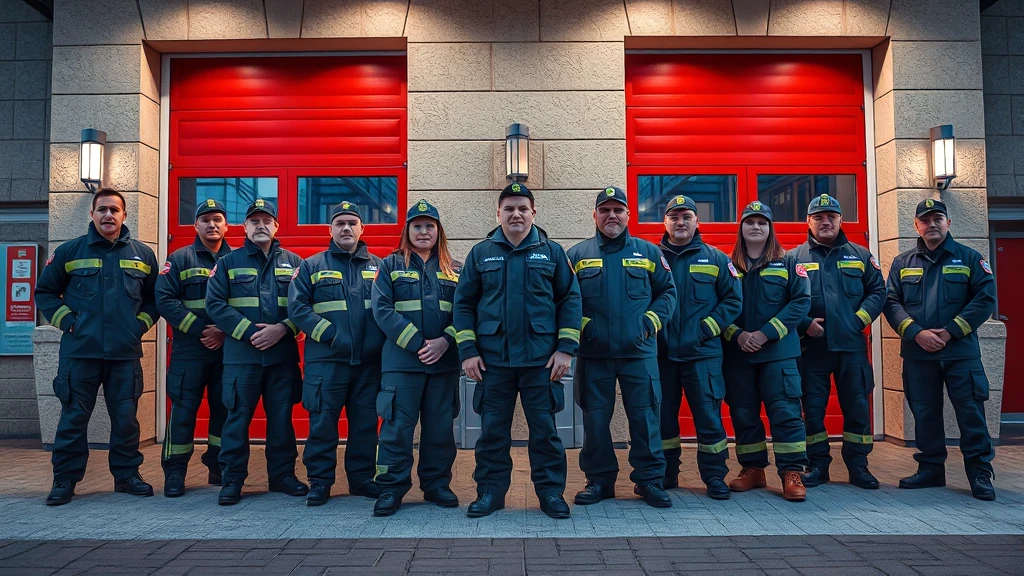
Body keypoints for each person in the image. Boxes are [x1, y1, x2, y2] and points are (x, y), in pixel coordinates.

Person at [452, 182, 582, 519]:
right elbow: (463, 304)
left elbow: (570, 301)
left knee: (545, 433)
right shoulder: (481, 254)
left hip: (542, 362)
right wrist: (467, 351)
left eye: (522, 208)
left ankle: (551, 494)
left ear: (533, 212)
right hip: (493, 362)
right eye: (509, 208)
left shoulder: (552, 252)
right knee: (492, 434)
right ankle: (490, 493)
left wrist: (566, 349)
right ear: (498, 213)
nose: (516, 214)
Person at [36, 188, 160, 505]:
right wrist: (69, 322)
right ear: (91, 214)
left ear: (124, 215)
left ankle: (127, 476)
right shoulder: (68, 252)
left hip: (124, 354)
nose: (108, 215)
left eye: (114, 210)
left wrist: (138, 325)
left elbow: (156, 300)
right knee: (73, 418)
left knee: (126, 420)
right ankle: (64, 479)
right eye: (102, 209)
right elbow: (46, 293)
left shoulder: (142, 255)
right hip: (80, 353)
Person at [567, 186, 677, 508]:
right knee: (596, 420)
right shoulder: (577, 255)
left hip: (639, 354)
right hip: (594, 354)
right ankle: (599, 481)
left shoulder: (649, 252)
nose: (611, 216)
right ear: (595, 216)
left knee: (645, 419)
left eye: (618, 210)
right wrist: (586, 329)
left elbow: (667, 293)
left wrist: (648, 324)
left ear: (629, 215)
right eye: (605, 210)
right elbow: (565, 301)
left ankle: (649, 480)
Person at [882, 198, 997, 501]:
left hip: (960, 353)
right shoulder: (902, 263)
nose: (931, 224)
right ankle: (931, 469)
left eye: (938, 219)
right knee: (925, 413)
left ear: (948, 223)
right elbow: (890, 302)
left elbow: (985, 300)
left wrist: (949, 332)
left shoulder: (970, 258)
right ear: (916, 225)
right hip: (919, 354)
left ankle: (980, 473)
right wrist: (916, 333)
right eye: (925, 220)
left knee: (971, 413)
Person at [205, 198, 306, 505]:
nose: (261, 226)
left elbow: (305, 306)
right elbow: (215, 305)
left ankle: (282, 476)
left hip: (281, 358)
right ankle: (232, 479)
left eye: (267, 221)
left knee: (281, 420)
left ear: (276, 226)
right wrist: (250, 333)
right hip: (241, 359)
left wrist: (282, 329)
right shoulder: (227, 263)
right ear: (245, 227)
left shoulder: (295, 262)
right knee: (236, 420)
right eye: (254, 221)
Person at [288, 201, 385, 506]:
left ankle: (361, 479)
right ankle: (320, 482)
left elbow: (388, 309)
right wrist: (329, 334)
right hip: (326, 363)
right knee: (322, 423)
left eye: (352, 223)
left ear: (362, 229)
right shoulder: (311, 266)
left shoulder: (380, 266)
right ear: (330, 229)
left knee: (365, 425)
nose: (346, 228)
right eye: (340, 223)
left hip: (369, 363)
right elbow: (298, 308)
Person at [370, 199, 461, 516]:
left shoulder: (456, 270)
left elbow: (465, 313)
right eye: (417, 226)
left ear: (439, 231)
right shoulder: (390, 265)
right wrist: (417, 342)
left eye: (429, 226)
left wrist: (445, 342)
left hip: (443, 365)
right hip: (401, 365)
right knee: (395, 430)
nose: (423, 231)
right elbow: (381, 310)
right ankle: (390, 489)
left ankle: (436, 485)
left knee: (439, 430)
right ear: (407, 230)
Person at [788, 194, 885, 490]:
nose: (825, 221)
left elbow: (878, 292)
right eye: (818, 217)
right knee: (813, 411)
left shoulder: (861, 255)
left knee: (856, 408)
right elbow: (782, 299)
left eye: (831, 216)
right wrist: (804, 324)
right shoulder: (793, 258)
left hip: (851, 348)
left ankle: (858, 466)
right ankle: (817, 465)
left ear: (841, 220)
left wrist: (858, 320)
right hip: (810, 349)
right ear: (808, 222)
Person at [722, 201, 811, 502]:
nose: (756, 227)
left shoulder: (789, 263)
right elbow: (717, 307)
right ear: (741, 229)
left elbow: (800, 303)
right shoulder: (728, 266)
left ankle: (791, 472)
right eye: (749, 222)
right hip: (739, 355)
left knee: (785, 414)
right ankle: (753, 470)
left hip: (779, 355)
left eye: (762, 222)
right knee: (744, 413)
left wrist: (764, 333)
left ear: (770, 228)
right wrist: (737, 335)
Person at [657, 195, 741, 500]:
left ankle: (715, 475)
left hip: (702, 355)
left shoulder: (717, 259)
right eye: (674, 217)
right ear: (665, 222)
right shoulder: (653, 258)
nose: (680, 222)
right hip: (661, 355)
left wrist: (707, 328)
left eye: (687, 217)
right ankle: (667, 474)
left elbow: (733, 300)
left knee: (708, 417)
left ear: (696, 221)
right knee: (663, 418)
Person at [155, 199, 232, 497]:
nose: (212, 225)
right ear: (195, 225)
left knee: (224, 410)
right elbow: (165, 300)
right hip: (190, 350)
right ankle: (175, 472)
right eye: (205, 220)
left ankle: (219, 466)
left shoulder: (236, 260)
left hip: (226, 351)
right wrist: (202, 329)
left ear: (226, 226)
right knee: (184, 411)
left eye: (217, 219)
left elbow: (244, 303)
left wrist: (224, 332)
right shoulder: (179, 258)